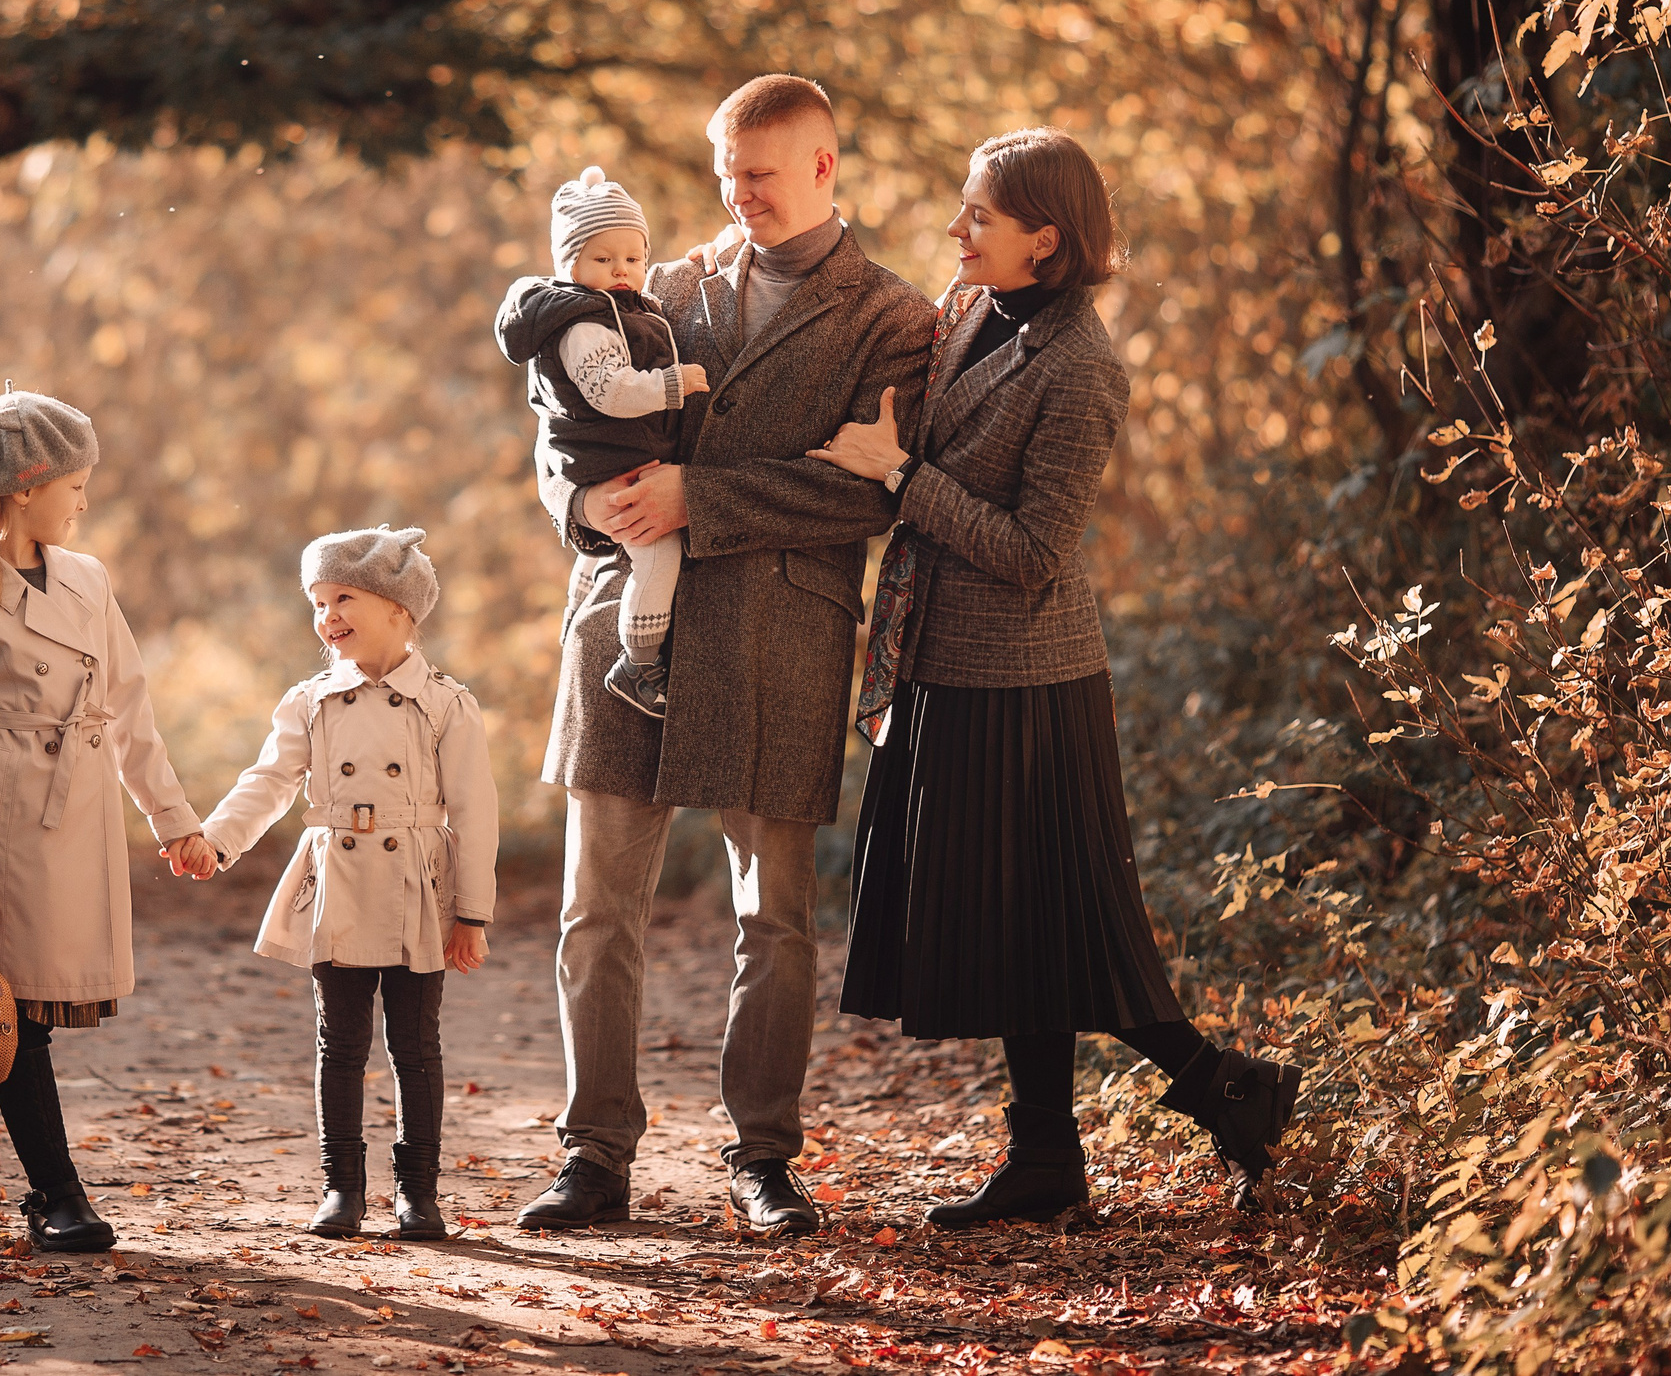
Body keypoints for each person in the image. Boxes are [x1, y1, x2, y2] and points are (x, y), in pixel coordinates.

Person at [809, 128, 1301, 1225]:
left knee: (1059, 922)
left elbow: (1036, 553)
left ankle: (1223, 1085)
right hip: (946, 658)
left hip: (1026, 680)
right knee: (1023, 927)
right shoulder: (972, 308)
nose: (955, 230)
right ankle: (1051, 1158)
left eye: (977, 215)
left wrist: (898, 476)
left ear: (1048, 237)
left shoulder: (1084, 371)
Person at [518, 74, 938, 1236]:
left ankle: (763, 1159)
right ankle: (592, 1155)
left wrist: (701, 495)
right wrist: (584, 507)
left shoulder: (893, 320)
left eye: (758, 173)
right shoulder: (656, 282)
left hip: (778, 630)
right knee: (594, 910)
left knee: (776, 917)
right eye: (723, 172)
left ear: (822, 167)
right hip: (622, 621)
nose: (736, 194)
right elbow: (562, 428)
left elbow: (862, 495)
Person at [0, 385, 217, 1251]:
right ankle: (57, 1197)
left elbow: (129, 704)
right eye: (75, 484)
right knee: (15, 1010)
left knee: (11, 1011)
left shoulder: (86, 577)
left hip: (79, 814)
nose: (85, 499)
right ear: (26, 489)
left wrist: (173, 818)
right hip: (3, 824)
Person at [196, 526, 498, 1241]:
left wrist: (472, 913)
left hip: (417, 889)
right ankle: (342, 1187)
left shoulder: (447, 704)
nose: (326, 616)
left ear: (400, 608)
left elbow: (477, 813)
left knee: (416, 1044)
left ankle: (419, 1193)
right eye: (317, 601)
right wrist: (215, 839)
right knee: (341, 1042)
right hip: (338, 883)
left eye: (343, 597)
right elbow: (268, 781)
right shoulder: (312, 701)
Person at [494, 165, 711, 718]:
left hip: (622, 459)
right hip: (607, 463)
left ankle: (617, 639)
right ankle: (638, 665)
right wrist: (673, 384)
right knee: (658, 559)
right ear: (569, 262)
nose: (622, 270)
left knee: (637, 554)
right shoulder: (584, 324)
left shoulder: (624, 309)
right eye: (602, 259)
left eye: (633, 258)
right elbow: (610, 392)